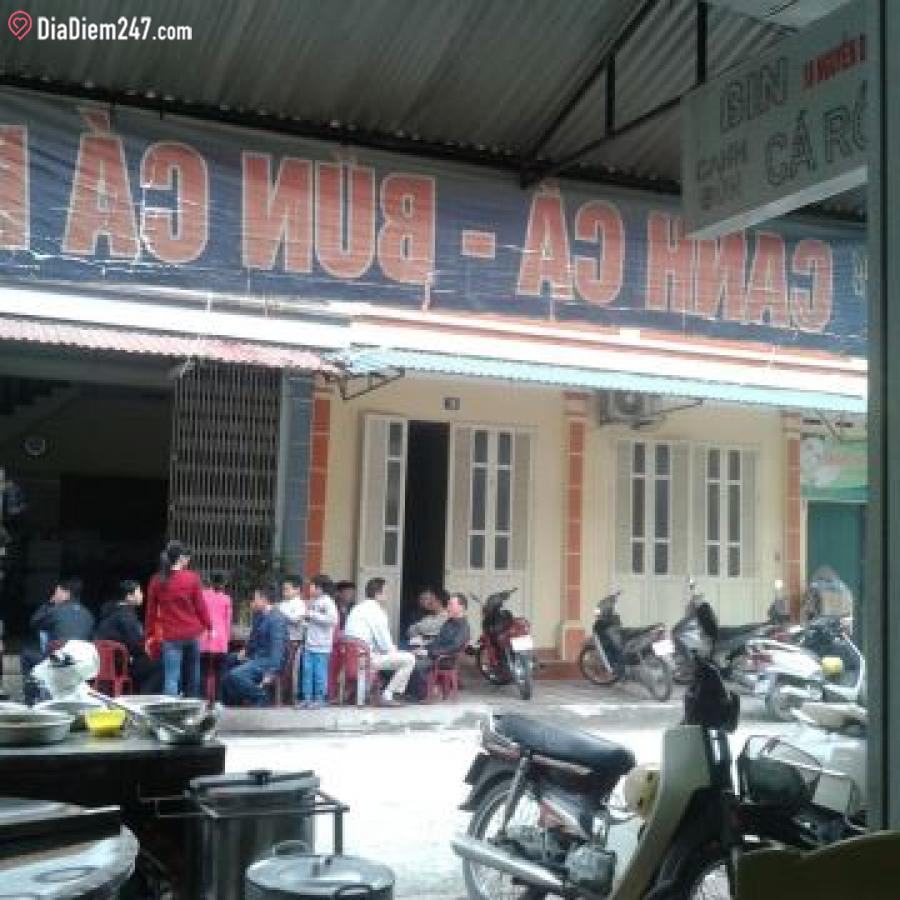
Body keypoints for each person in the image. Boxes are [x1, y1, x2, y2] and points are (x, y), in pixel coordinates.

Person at [146, 541, 211, 697]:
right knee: (193, 676)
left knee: (171, 678)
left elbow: (151, 612)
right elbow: (200, 607)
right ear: (181, 558)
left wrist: (149, 635)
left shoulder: (156, 580)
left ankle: (170, 709)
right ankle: (192, 706)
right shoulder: (192, 578)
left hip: (171, 637)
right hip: (192, 634)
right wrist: (209, 626)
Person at [21, 578, 94, 703]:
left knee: (26, 654)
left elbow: (34, 622)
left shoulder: (55, 611)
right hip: (83, 664)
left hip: (59, 661)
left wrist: (49, 604)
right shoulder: (88, 615)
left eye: (57, 592)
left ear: (66, 593)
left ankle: (32, 696)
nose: (55, 595)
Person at [345, 578, 415, 707]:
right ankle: (388, 695)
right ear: (378, 594)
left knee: (393, 655)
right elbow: (385, 645)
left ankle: (376, 692)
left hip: (352, 657)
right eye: (386, 591)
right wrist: (397, 651)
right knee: (409, 659)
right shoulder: (377, 612)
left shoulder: (357, 608)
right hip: (366, 658)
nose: (388, 595)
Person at [221, 584, 288, 706]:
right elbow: (253, 638)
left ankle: (260, 695)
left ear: (264, 599)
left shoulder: (277, 619)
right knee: (226, 661)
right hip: (255, 656)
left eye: (256, 598)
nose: (253, 601)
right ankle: (231, 703)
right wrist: (245, 651)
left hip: (267, 660)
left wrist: (271, 672)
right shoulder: (259, 615)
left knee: (235, 675)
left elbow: (277, 650)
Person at [95, 580, 163, 693]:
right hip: (121, 663)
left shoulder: (110, 612)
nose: (142, 595)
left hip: (107, 662)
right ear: (129, 596)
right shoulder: (126, 616)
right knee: (161, 664)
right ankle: (145, 697)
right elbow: (136, 645)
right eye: (139, 592)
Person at [407, 592, 471, 701]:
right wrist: (423, 649)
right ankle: (412, 693)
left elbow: (454, 647)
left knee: (417, 665)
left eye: (451, 604)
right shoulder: (449, 622)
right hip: (436, 655)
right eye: (448, 604)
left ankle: (424, 695)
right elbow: (437, 641)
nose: (448, 607)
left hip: (446, 659)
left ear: (461, 607)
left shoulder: (463, 627)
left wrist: (429, 653)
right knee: (408, 658)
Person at [301, 574, 339, 707]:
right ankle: (307, 698)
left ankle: (319, 699)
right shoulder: (313, 601)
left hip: (322, 646)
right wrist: (305, 622)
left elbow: (332, 620)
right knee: (307, 673)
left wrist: (311, 614)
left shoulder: (328, 602)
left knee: (319, 674)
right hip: (310, 644)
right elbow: (312, 621)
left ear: (320, 588)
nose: (310, 588)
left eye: (312, 586)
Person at [279, 576, 307, 642]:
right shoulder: (282, 603)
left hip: (293, 639)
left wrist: (279, 613)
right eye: (283, 589)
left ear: (297, 590)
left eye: (287, 589)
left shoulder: (300, 604)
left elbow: (295, 619)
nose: (284, 591)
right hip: (281, 637)